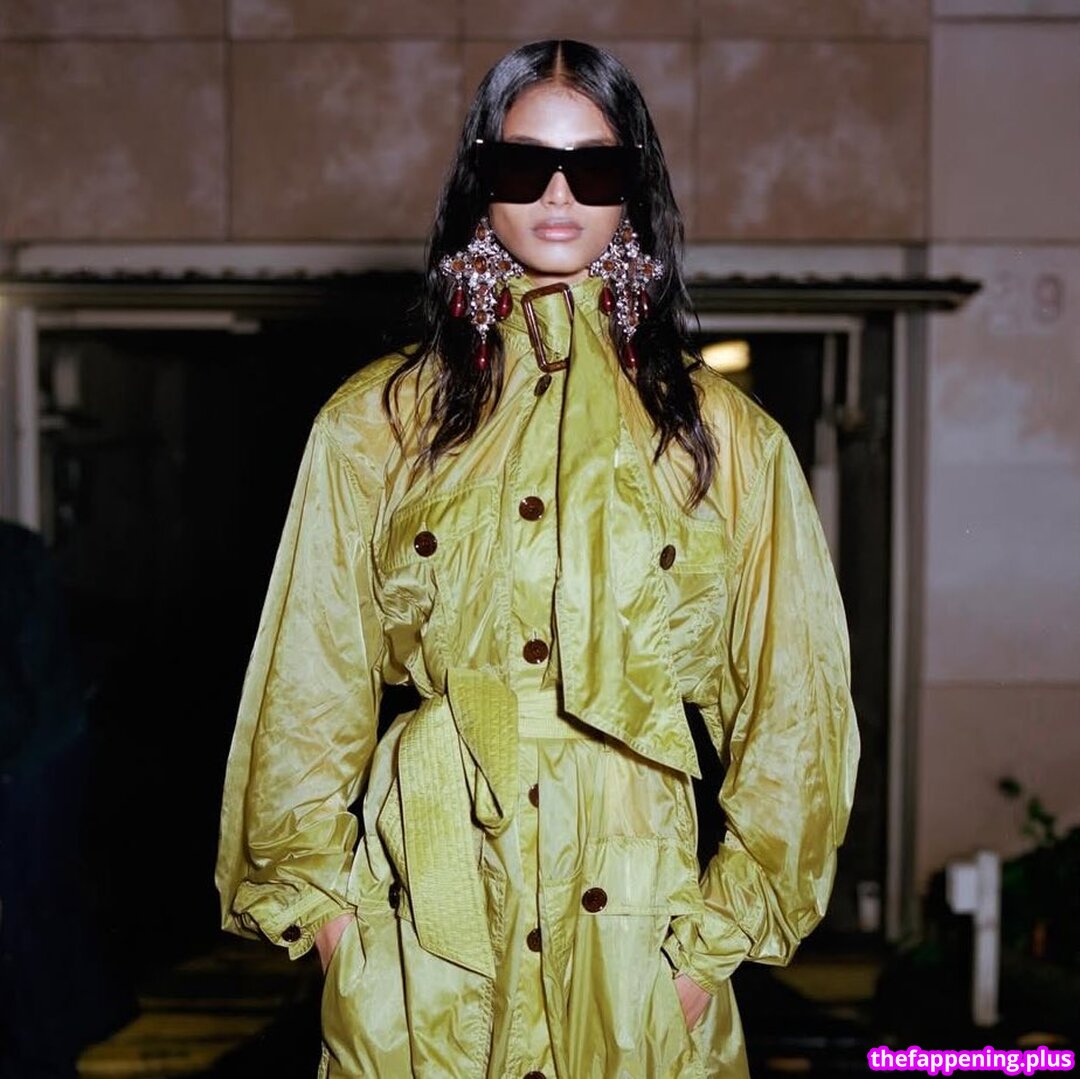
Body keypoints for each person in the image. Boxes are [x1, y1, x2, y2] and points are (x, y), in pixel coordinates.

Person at [216, 39, 860, 1079]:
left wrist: (706, 954)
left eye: (594, 168)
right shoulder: (375, 425)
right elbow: (306, 684)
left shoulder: (724, 439)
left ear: (634, 188)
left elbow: (797, 716)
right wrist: (342, 935)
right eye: (524, 164)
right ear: (481, 181)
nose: (559, 194)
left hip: (636, 941)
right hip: (430, 924)